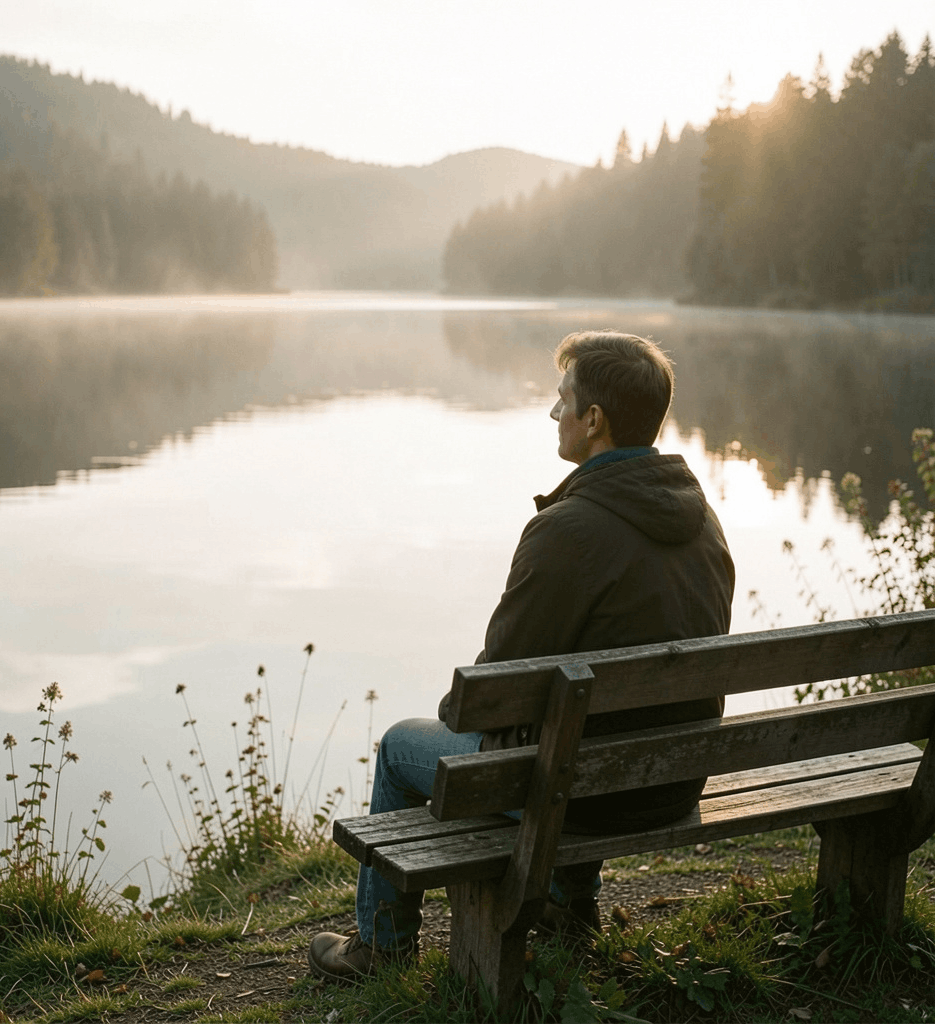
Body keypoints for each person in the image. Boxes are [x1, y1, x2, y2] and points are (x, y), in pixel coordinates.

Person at [308, 330, 735, 981]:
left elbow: (495, 682)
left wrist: (456, 712)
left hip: (585, 795)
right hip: (674, 779)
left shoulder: (567, 530)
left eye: (562, 400)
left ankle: (382, 948)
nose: (553, 413)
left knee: (401, 747)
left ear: (594, 420)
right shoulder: (703, 518)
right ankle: (572, 907)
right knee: (583, 730)